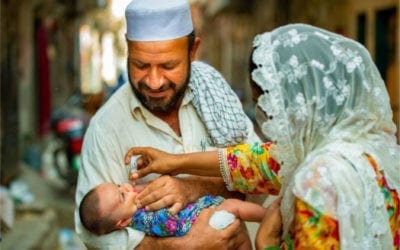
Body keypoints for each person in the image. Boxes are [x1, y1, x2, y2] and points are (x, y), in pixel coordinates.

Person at [125, 23, 400, 249]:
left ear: (299, 104)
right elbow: (249, 162)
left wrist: (266, 243)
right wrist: (174, 162)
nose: (268, 121)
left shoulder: (318, 180)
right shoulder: (371, 152)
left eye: (269, 108)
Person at [74, 0, 261, 249]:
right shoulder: (106, 127)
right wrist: (173, 246)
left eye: (168, 66)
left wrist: (192, 187)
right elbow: (92, 234)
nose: (153, 82)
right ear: (128, 53)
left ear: (193, 51)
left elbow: (263, 174)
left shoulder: (218, 99)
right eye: (141, 65)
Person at [79, 181, 270, 250]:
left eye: (119, 185)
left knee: (238, 235)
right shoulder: (142, 219)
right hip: (198, 226)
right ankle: (270, 217)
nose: (126, 188)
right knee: (233, 207)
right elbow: (169, 223)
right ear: (123, 222)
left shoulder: (135, 214)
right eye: (122, 195)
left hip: (197, 223)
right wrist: (174, 205)